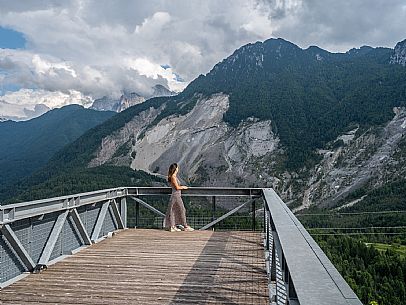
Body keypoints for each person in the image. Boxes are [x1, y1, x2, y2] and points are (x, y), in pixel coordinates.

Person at [164, 163, 194, 232]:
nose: (178, 169)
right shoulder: (173, 177)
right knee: (182, 210)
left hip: (176, 195)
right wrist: (183, 187)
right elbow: (177, 187)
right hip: (176, 195)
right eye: (177, 167)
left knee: (173, 210)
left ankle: (173, 226)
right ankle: (185, 226)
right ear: (175, 169)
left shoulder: (173, 176)